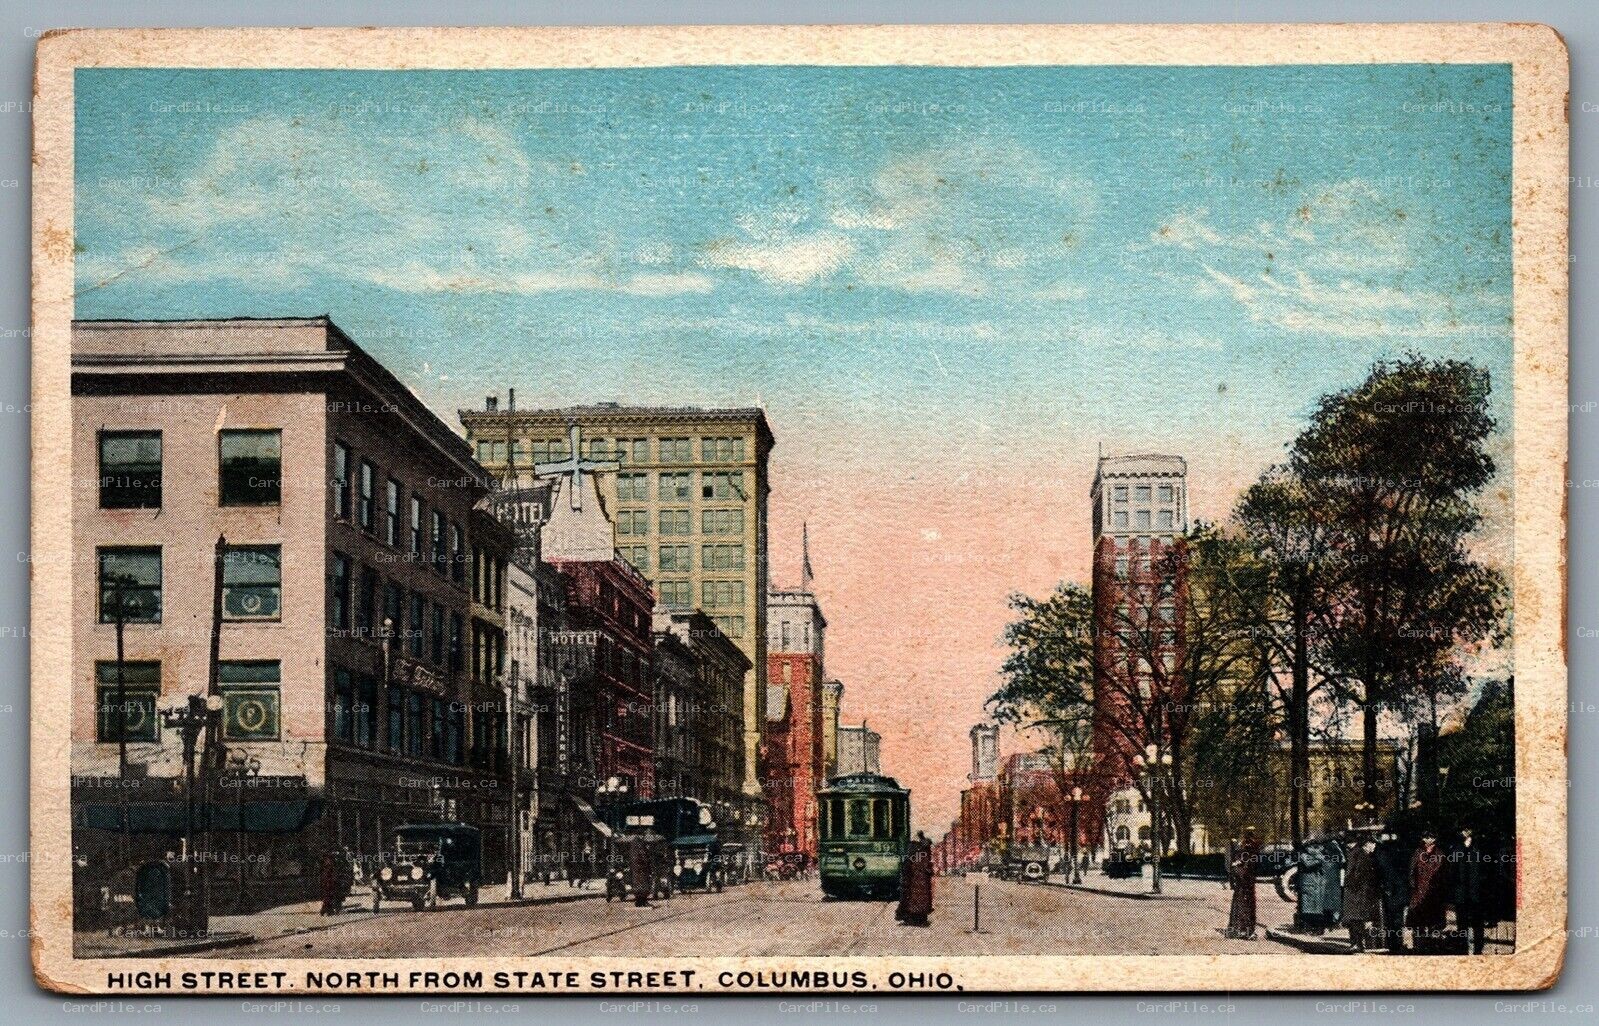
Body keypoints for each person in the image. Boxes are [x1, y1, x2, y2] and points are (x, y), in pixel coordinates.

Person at [1408, 827, 1451, 954]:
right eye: (1426, 837)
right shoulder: (1418, 852)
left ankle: (1434, 946)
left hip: (1435, 892)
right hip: (1419, 892)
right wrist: (1414, 886)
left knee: (1434, 922)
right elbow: (1411, 871)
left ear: (1436, 839)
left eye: (1431, 837)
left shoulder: (1440, 853)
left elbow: (1445, 873)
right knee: (1419, 922)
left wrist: (1442, 889)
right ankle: (1419, 947)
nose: (1428, 840)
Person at [1453, 827, 1494, 954]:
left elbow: (1487, 869)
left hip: (1477, 892)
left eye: (1467, 829)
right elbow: (1452, 869)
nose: (1465, 832)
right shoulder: (1456, 847)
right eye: (1463, 830)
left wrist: (1484, 887)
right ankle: (1462, 949)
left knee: (1478, 923)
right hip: (1461, 892)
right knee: (1462, 923)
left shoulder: (1480, 846)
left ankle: (1478, 949)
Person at [1373, 832, 1411, 954]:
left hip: (1390, 889)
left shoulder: (1381, 851)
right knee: (1397, 919)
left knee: (1390, 919)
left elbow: (1380, 870)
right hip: (1399, 889)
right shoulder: (1403, 849)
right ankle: (1396, 944)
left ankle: (1392, 944)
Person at [1342, 836, 1382, 951]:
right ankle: (1358, 944)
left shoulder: (1357, 853)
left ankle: (1356, 943)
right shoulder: (1362, 856)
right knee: (1358, 918)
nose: (1374, 847)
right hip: (1359, 892)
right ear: (1367, 844)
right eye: (1373, 844)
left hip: (1355, 892)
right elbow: (1357, 875)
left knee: (1356, 918)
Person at [1226, 827, 1261, 939]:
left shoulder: (1242, 845)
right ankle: (1246, 930)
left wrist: (1236, 869)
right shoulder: (1250, 845)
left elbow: (1235, 862)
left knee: (1239, 902)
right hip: (1246, 877)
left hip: (1243, 877)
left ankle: (1238, 929)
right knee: (1247, 903)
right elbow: (1252, 861)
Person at [897, 831, 934, 927]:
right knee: (919, 898)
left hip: (915, 878)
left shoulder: (916, 848)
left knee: (914, 898)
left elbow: (915, 863)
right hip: (919, 878)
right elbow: (922, 863)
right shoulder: (923, 850)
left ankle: (914, 919)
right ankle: (918, 918)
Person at [629, 836, 654, 908]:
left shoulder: (633, 846)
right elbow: (644, 857)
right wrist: (648, 862)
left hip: (635, 869)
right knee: (644, 885)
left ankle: (639, 901)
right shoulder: (641, 845)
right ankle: (643, 901)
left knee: (637, 886)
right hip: (642, 869)